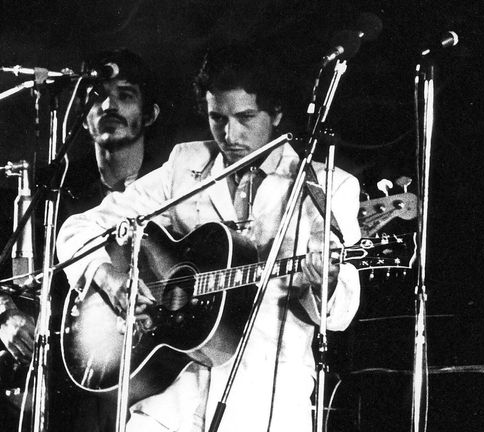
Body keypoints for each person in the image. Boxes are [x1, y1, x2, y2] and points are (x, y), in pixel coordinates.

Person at [56, 43, 361, 432]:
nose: (229, 135)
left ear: (278, 113)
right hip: (171, 394)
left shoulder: (326, 185)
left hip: (266, 397)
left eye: (245, 117)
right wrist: (107, 277)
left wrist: (328, 281)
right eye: (217, 118)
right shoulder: (186, 164)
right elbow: (79, 228)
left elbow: (339, 313)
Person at [0, 47, 162, 431]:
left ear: (151, 114)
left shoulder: (166, 192)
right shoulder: (52, 196)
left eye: (125, 95)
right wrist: (5, 316)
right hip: (48, 387)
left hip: (134, 387)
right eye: (99, 95)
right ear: (84, 119)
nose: (109, 104)